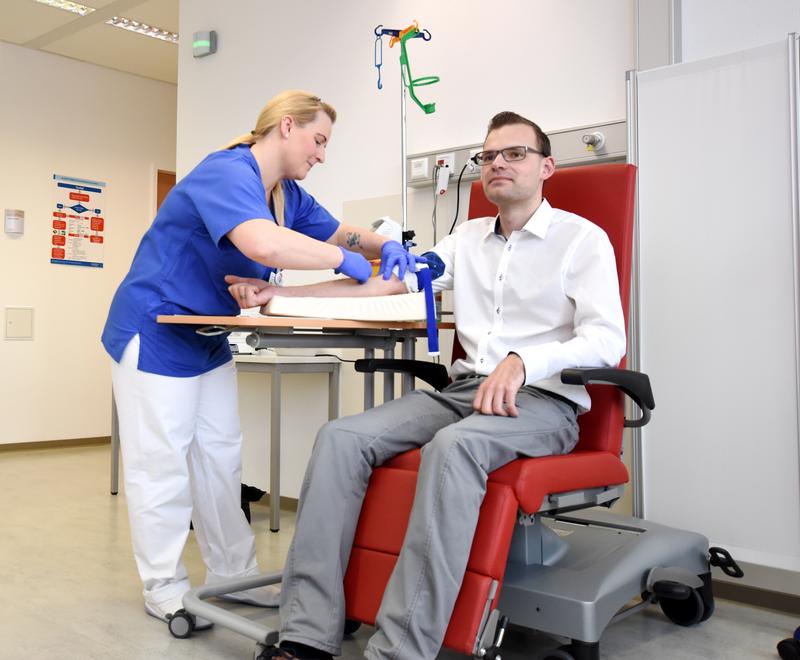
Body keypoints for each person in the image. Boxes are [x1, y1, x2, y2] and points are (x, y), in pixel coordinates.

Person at [231, 111, 626, 660]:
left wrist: (523, 362)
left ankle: (400, 650)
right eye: (488, 156)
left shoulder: (582, 241)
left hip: (543, 402)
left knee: (454, 448)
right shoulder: (466, 239)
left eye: (514, 154)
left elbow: (608, 340)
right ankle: (307, 635)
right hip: (464, 394)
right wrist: (278, 297)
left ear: (547, 166)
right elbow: (388, 285)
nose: (498, 165)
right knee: (341, 438)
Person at [101, 89, 425, 628]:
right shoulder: (226, 172)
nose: (321, 154)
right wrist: (349, 261)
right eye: (318, 140)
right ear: (287, 127)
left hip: (204, 337)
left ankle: (232, 575)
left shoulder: (285, 194)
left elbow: (340, 232)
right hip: (154, 329)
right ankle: (164, 588)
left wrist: (385, 245)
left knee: (221, 459)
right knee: (160, 467)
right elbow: (266, 247)